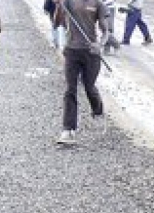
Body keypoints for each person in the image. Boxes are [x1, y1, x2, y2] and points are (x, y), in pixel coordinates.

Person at [54, 0, 118, 145]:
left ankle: (98, 111)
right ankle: (68, 130)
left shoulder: (98, 4)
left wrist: (100, 44)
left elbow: (106, 31)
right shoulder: (68, 2)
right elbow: (57, 23)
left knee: (89, 87)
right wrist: (59, 6)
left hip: (91, 53)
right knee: (70, 89)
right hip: (71, 51)